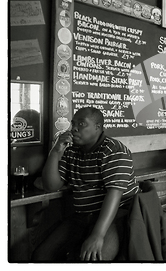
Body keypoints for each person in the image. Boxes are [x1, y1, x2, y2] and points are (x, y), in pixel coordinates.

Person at [32, 107, 139, 261]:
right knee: (41, 255)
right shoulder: (71, 150)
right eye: (73, 123)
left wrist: (97, 236)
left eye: (81, 124)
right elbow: (51, 186)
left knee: (92, 258)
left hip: (117, 215)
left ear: (98, 127)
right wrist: (55, 151)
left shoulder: (114, 150)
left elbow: (114, 195)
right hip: (82, 216)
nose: (74, 128)